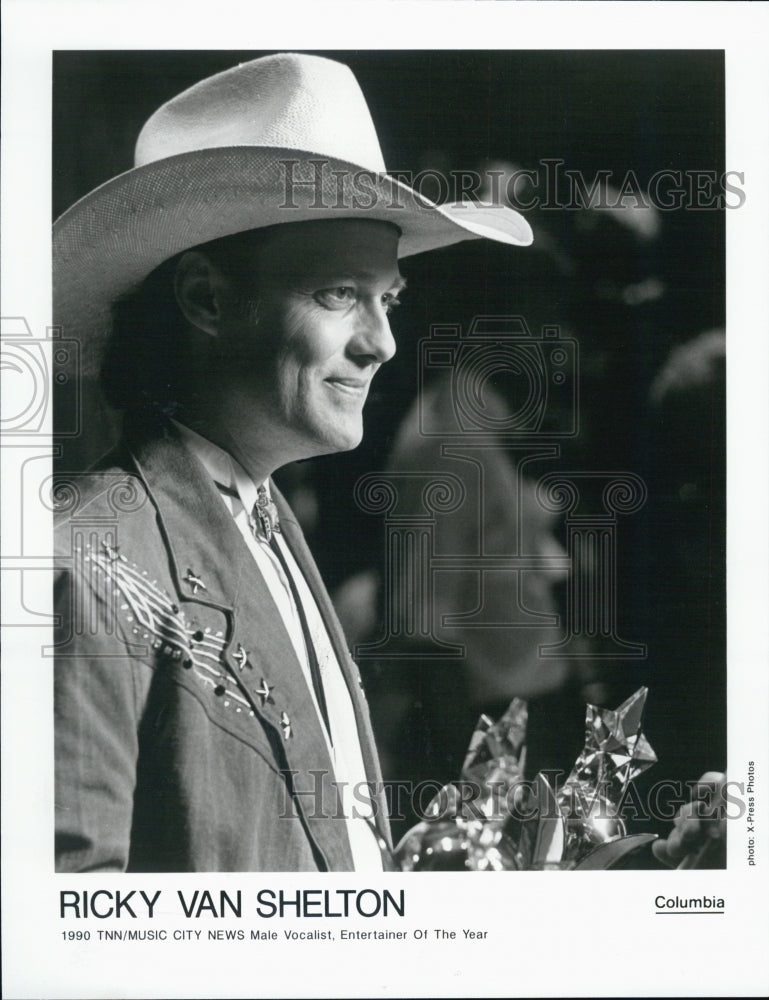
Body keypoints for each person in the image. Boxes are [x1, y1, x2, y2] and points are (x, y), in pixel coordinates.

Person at [52, 52, 724, 873]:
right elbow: (70, 924)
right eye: (340, 294)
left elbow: (337, 868)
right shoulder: (90, 552)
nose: (382, 342)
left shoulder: (259, 518)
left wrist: (646, 874)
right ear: (205, 300)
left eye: (390, 299)